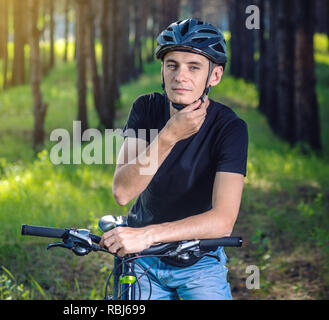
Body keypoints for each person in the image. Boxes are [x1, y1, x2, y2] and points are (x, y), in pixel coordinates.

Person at [99, 18, 248, 300]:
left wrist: (148, 234)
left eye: (194, 67)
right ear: (163, 70)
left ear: (214, 76)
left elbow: (223, 220)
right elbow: (122, 191)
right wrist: (168, 135)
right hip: (143, 260)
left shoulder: (230, 128)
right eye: (172, 65)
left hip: (200, 262)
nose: (181, 76)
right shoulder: (146, 108)